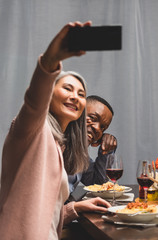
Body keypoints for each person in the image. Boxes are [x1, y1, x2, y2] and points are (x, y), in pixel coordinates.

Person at [0, 21, 110, 239]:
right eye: (67, 88)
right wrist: (51, 61)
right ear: (49, 94)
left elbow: (45, 214)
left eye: (80, 94)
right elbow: (33, 102)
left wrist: (76, 208)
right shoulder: (32, 130)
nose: (74, 96)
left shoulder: (59, 144)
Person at [68, 95, 117, 193]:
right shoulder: (51, 144)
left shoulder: (80, 155)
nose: (97, 128)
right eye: (93, 118)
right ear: (77, 113)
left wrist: (106, 150)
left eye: (103, 128)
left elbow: (98, 183)